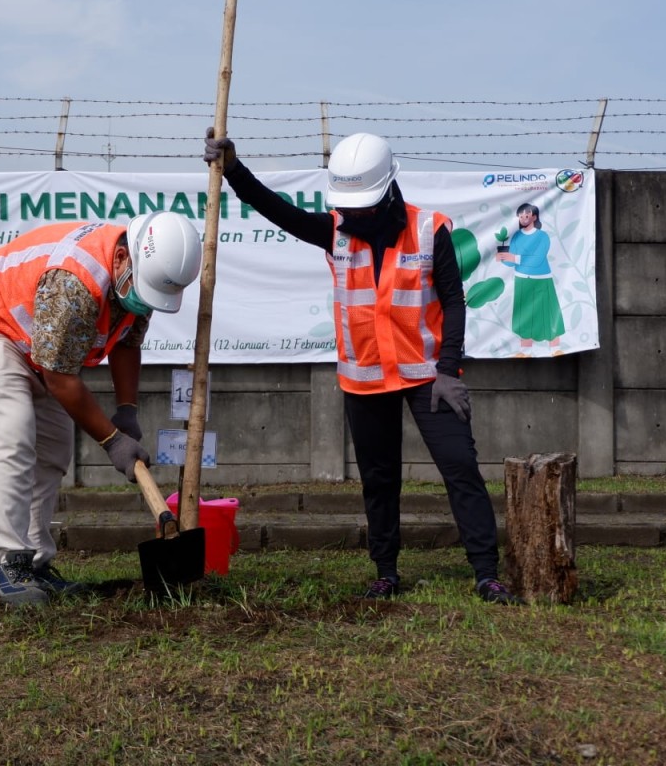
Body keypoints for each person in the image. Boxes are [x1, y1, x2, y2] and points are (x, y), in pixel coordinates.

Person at [204, 128, 522, 605]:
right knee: (379, 478)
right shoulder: (335, 230)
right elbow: (278, 211)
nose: (353, 214)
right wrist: (233, 169)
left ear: (390, 189)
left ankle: (486, 573)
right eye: (348, 206)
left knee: (461, 468)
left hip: (427, 376)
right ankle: (386, 572)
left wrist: (448, 369)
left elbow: (454, 302)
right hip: (365, 379)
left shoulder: (429, 229)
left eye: (363, 205)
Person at [0, 212, 203, 605]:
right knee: (10, 433)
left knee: (54, 447)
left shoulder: (140, 280)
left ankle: (34, 565)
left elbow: (127, 342)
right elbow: (60, 378)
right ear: (124, 257)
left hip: (32, 346)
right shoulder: (75, 282)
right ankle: (7, 564)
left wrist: (127, 410)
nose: (143, 303)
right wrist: (112, 442)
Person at [496, 202, 566, 356]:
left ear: (534, 217)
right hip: (522, 278)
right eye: (520, 216)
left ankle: (555, 347)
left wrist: (515, 258)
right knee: (524, 312)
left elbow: (538, 258)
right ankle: (525, 349)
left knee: (547, 311)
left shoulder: (542, 236)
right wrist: (503, 257)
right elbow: (512, 260)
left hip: (541, 278)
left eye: (526, 215)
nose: (523, 218)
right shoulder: (517, 236)